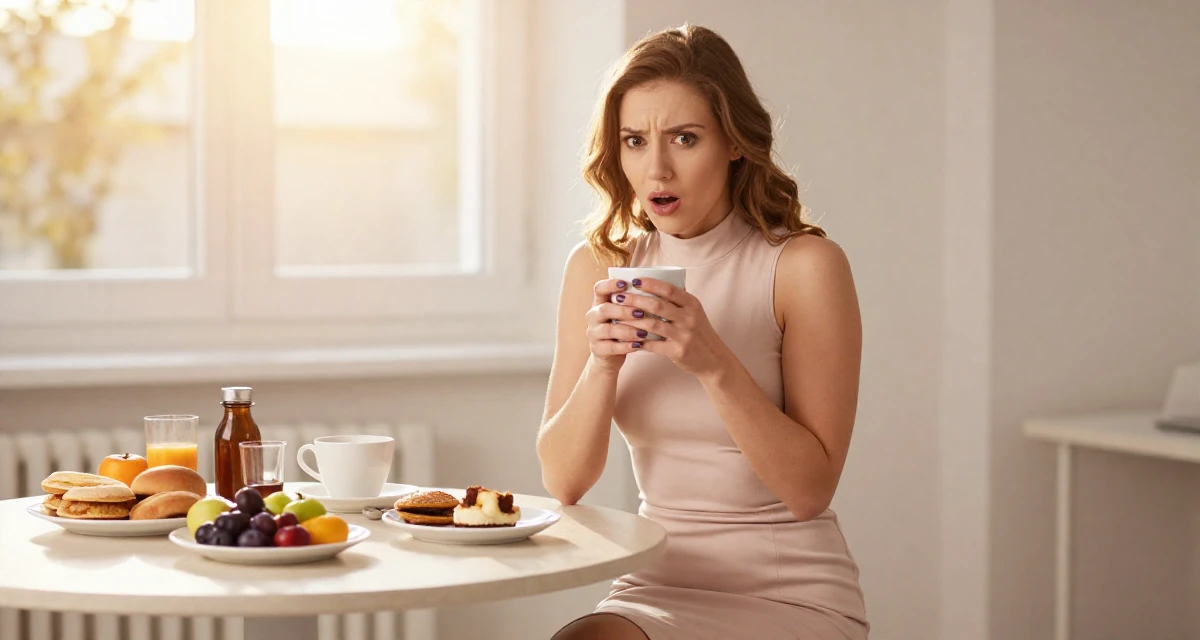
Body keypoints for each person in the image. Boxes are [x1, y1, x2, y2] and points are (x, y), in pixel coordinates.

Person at [536, 23, 869, 640]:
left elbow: (809, 491)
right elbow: (564, 481)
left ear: (735, 144)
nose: (656, 168)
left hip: (789, 593)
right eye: (634, 141)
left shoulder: (802, 268)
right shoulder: (599, 267)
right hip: (655, 578)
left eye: (684, 138)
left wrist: (714, 362)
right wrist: (603, 364)